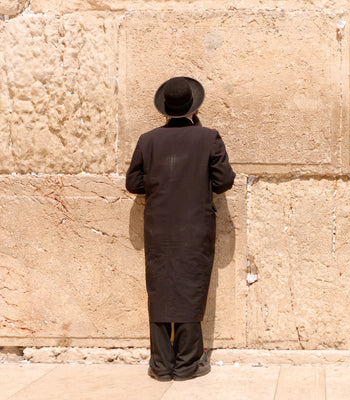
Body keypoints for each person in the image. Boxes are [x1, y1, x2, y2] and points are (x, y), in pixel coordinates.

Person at [126, 76, 236, 381]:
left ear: (165, 109)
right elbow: (224, 179)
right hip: (195, 226)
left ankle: (160, 365)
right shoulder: (208, 137)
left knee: (160, 289)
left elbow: (133, 183)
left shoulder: (148, 140)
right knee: (190, 288)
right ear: (193, 108)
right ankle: (188, 364)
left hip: (159, 228)